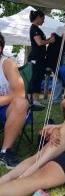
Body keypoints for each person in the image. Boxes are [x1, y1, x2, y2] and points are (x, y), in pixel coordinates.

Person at [0, 33, 28, 169]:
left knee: (21, 103)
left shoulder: (7, 63)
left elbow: (20, 93)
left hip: (6, 108)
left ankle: (5, 152)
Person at [28, 10, 55, 106]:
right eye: (43, 19)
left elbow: (41, 41)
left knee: (39, 78)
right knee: (35, 78)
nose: (43, 21)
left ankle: (36, 100)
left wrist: (49, 39)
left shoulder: (37, 29)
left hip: (40, 58)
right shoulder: (34, 28)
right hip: (35, 58)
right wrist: (49, 41)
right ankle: (33, 100)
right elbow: (39, 42)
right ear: (38, 18)